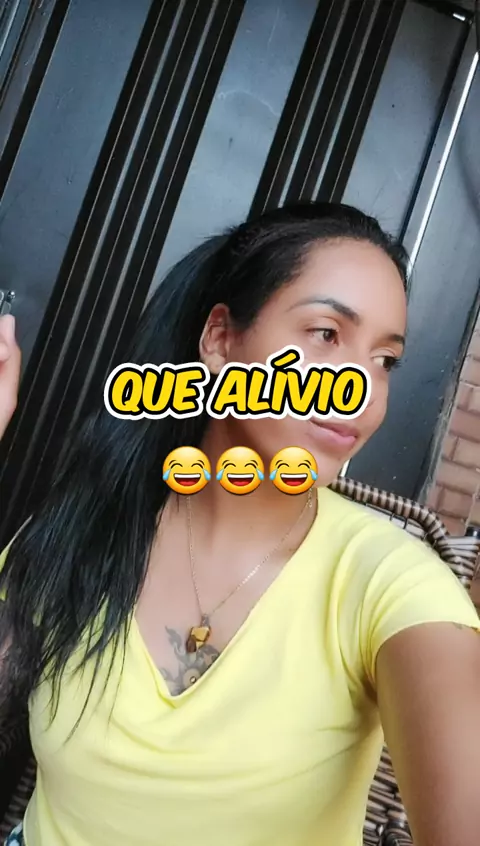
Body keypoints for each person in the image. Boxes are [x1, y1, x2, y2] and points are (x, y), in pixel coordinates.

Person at [0, 202, 479, 846]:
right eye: (326, 334)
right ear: (221, 339)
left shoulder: (390, 585)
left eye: (385, 360)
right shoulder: (87, 526)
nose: (363, 390)